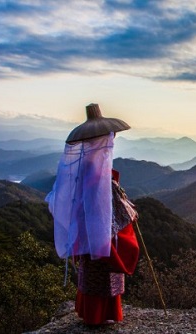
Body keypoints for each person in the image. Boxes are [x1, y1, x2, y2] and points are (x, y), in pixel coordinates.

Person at [46, 103, 139, 325]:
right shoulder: (97, 171)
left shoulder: (84, 165)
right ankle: (101, 315)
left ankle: (91, 313)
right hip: (99, 228)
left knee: (91, 270)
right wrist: (129, 210)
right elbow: (110, 207)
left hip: (86, 227)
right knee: (103, 272)